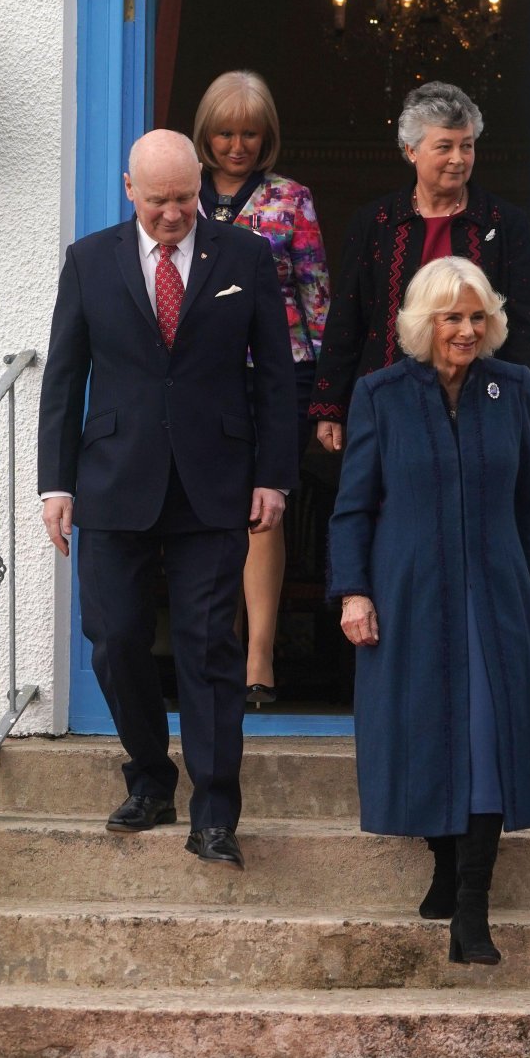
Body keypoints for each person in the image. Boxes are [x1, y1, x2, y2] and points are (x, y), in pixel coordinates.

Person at [38, 129, 298, 871]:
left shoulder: (245, 256)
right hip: (113, 480)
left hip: (214, 481)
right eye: (158, 201)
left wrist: (273, 476)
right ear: (130, 191)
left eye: (186, 198)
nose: (174, 213)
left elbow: (275, 375)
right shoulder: (89, 260)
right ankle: (150, 778)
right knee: (115, 638)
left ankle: (214, 813)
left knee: (209, 650)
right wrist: (56, 483)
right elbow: (65, 376)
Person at [326, 257, 530, 965]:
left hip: (494, 593)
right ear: (422, 322)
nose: (467, 329)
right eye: (452, 316)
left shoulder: (510, 387)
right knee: (428, 733)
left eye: (477, 316)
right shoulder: (380, 394)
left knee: (487, 741)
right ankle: (443, 866)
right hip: (410, 592)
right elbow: (353, 507)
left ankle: (472, 911)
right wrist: (354, 592)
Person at [309, 81, 530, 452]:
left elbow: (527, 320)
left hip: (482, 404)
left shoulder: (503, 223)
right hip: (388, 403)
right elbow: (347, 317)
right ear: (412, 150)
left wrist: (526, 403)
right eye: (444, 146)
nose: (459, 158)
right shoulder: (375, 222)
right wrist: (330, 405)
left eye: (467, 145)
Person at [193, 70, 331, 706]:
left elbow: (317, 295)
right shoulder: (181, 193)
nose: (237, 146)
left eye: (250, 134)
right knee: (209, 507)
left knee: (264, 505)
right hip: (200, 373)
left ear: (267, 136)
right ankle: (219, 648)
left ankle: (259, 657)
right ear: (206, 133)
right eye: (225, 133)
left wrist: (328, 392)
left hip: (281, 371)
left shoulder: (290, 198)